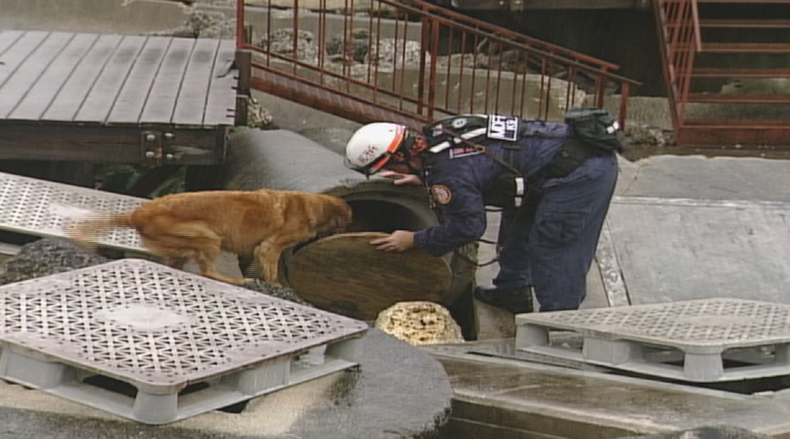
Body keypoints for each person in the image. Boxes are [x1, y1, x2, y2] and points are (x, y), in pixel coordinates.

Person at [343, 110, 622, 313]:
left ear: (401, 155)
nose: (392, 174)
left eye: (390, 167)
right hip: (548, 164)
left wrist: (414, 239)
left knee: (554, 245)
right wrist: (422, 177)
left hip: (581, 174)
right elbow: (475, 166)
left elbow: (469, 227)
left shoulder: (448, 173)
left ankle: (560, 325)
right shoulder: (439, 133)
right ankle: (512, 292)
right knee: (517, 222)